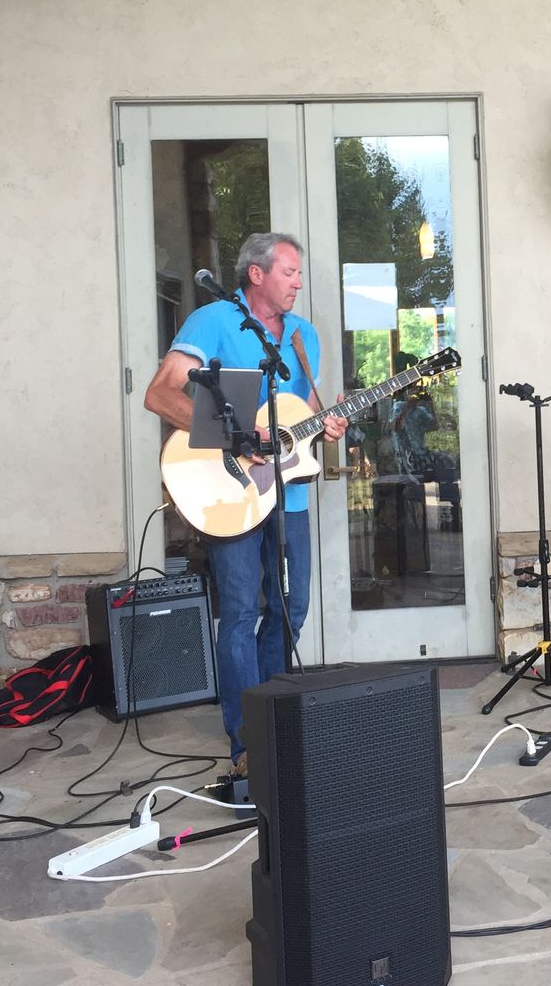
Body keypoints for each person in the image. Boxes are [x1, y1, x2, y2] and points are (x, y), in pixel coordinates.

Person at [144, 232, 346, 768]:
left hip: (287, 496)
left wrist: (328, 424)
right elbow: (159, 394)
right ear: (256, 274)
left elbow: (301, 414)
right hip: (227, 490)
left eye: (299, 273)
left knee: (291, 609)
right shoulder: (213, 320)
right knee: (238, 613)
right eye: (288, 272)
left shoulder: (302, 336)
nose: (298, 282)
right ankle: (247, 741)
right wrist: (234, 436)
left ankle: (272, 716)